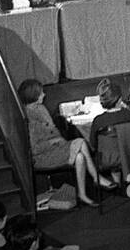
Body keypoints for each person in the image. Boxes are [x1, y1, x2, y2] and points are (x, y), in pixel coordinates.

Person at [18, 77, 111, 207]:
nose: (44, 95)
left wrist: (58, 141)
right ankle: (96, 176)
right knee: (80, 142)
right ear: (33, 96)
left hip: (56, 148)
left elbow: (54, 131)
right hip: (42, 157)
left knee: (79, 157)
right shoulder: (29, 118)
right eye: (41, 93)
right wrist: (54, 142)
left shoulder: (41, 109)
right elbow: (34, 149)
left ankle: (82, 195)